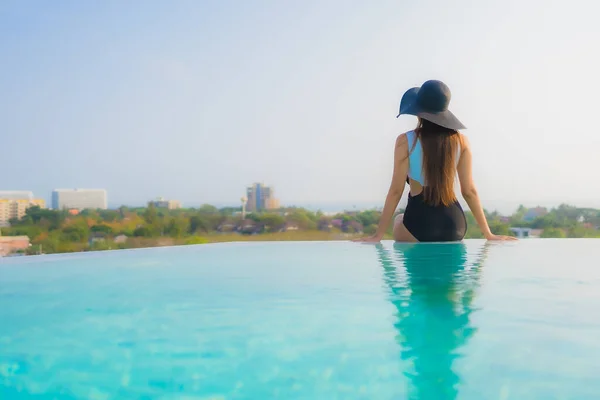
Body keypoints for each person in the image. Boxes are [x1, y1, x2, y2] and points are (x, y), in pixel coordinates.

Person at [355, 80, 516, 243]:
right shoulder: (461, 141)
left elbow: (396, 191)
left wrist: (377, 236)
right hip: (455, 227)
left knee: (399, 219)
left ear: (418, 111)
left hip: (419, 226)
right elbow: (469, 191)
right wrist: (488, 234)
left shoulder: (405, 141)